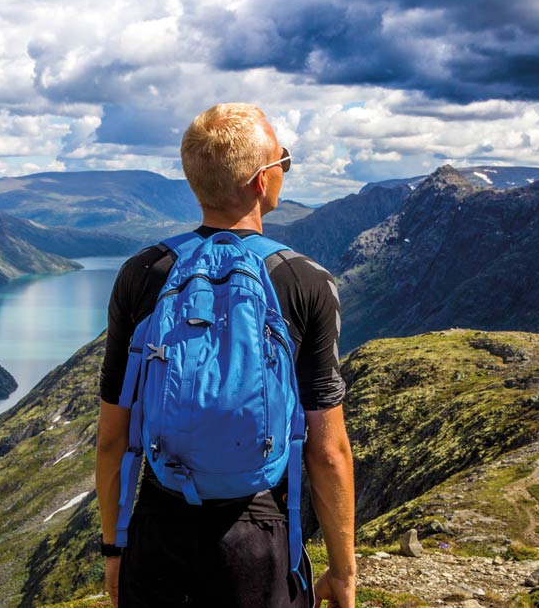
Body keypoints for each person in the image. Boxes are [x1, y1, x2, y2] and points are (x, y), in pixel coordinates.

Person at [95, 103, 357, 607]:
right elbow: (328, 451)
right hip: (259, 534)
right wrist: (342, 573)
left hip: (159, 526)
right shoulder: (306, 281)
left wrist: (115, 548)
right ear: (262, 182)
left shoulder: (143, 272)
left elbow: (113, 439)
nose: (283, 170)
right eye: (283, 160)